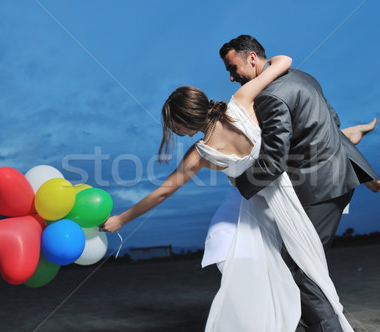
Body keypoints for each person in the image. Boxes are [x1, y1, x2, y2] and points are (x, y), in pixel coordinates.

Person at [102, 54, 354, 331]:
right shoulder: (242, 100)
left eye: (172, 125)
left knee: (270, 267)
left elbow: (162, 193)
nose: (173, 131)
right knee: (302, 266)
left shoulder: (199, 154)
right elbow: (284, 62)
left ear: (183, 121)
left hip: (259, 206)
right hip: (290, 194)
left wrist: (122, 219)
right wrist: (269, 60)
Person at [219, 34, 380, 331]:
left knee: (299, 269)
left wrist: (238, 183)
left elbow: (272, 163)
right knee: (296, 265)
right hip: (336, 181)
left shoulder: (268, 97)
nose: (231, 78)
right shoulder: (304, 77)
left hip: (320, 189)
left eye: (233, 68)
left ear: (252, 58)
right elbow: (333, 119)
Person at [202, 119, 380, 270]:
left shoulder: (245, 128)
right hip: (259, 194)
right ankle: (349, 140)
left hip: (267, 189)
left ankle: (350, 147)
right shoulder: (226, 140)